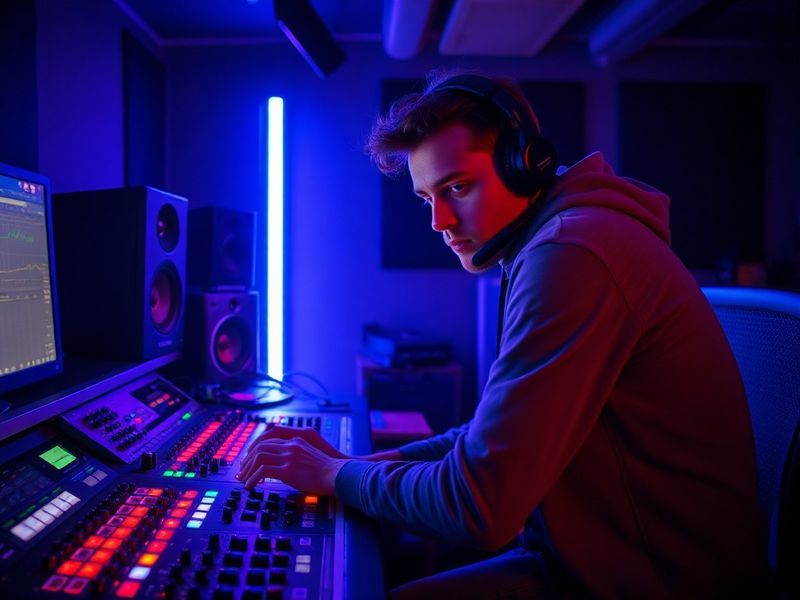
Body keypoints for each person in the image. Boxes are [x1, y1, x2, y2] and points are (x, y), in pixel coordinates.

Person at [237, 70, 766, 598]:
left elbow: (481, 505)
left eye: (457, 187)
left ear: (524, 164)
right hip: (589, 557)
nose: (439, 222)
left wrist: (335, 477)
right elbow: (487, 443)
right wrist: (348, 464)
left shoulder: (573, 255)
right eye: (427, 199)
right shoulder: (557, 240)